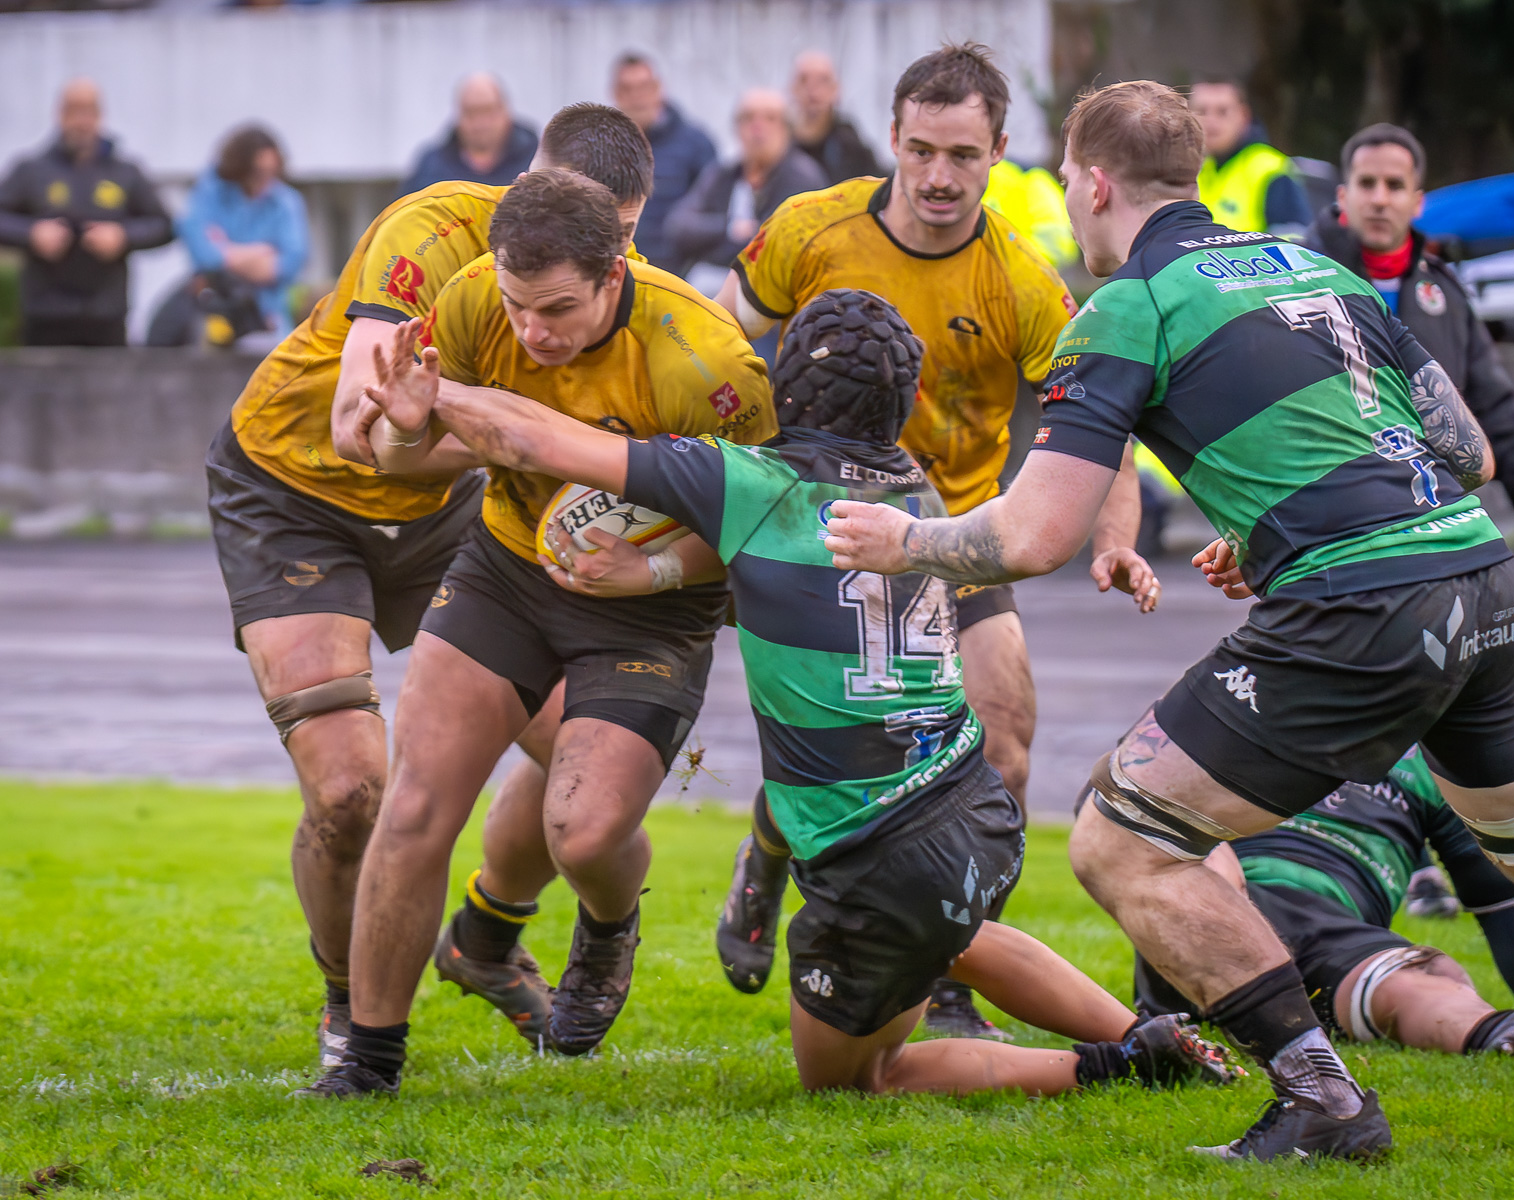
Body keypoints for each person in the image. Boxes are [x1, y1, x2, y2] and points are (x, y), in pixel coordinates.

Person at [822, 80, 1514, 1158]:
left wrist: (902, 538)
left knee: (1121, 836)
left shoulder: (1128, 306)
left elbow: (1036, 534)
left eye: (1064, 181)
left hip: (1362, 606)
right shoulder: (1316, 269)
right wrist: (1281, 523)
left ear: (1094, 184)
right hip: (1478, 579)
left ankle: (1323, 1102)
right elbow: (1468, 453)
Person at [377, 284, 1239, 1097]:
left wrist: (434, 394)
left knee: (859, 1077)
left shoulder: (752, 483)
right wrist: (655, 572)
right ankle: (1151, 1033)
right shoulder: (916, 490)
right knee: (952, 936)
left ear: (781, 392)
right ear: (904, 405)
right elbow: (772, 550)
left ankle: (1115, 1066)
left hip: (872, 849)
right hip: (973, 805)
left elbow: (536, 440)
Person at [295, 169, 775, 1098]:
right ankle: (369, 1060)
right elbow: (402, 459)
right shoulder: (476, 299)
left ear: (613, 273)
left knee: (582, 834)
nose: (532, 332)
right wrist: (404, 430)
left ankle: (608, 927)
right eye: (519, 306)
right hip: (509, 569)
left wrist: (652, 570)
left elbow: (768, 525)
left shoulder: (704, 361)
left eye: (556, 309)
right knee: (415, 806)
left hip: (654, 604)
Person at [711, 42, 1155, 1039]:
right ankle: (771, 853)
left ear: (999, 150)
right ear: (895, 141)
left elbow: (1103, 420)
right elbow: (719, 347)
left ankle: (949, 976)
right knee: (839, 749)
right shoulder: (809, 228)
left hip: (950, 539)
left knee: (1005, 741)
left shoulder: (1022, 280)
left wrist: (1116, 535)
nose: (940, 176)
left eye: (963, 154)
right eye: (921, 150)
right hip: (817, 531)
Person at [205, 103, 657, 1076]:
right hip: (293, 491)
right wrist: (524, 440)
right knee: (352, 791)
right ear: (526, 187)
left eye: (622, 237)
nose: (603, 254)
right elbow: (355, 428)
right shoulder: (429, 231)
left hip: (449, 501)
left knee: (592, 764)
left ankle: (488, 932)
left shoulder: (612, 277)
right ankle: (349, 1004)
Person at [1132, 749, 1514, 1059]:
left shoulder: (1435, 765)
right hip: (1222, 906)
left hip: (1330, 937)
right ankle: (1176, 1012)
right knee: (1191, 856)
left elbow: (1502, 908)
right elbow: (1129, 799)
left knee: (1427, 976)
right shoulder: (1232, 712)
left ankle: (1512, 1033)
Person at [1303, 123, 1514, 575]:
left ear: (1418, 201)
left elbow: (1490, 407)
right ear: (1342, 195)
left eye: (1394, 185)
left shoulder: (1445, 292)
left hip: (1428, 525)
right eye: (1366, 183)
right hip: (1328, 535)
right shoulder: (1296, 281)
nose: (1379, 199)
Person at [0, 78, 172, 346]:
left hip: (106, 315)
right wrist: (31, 233)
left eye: (89, 111)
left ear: (100, 116)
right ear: (60, 114)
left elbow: (163, 226)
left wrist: (123, 236)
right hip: (45, 315)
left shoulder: (124, 172)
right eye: (74, 111)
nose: (81, 121)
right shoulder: (31, 170)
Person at [155, 125, 309, 344]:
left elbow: (292, 262)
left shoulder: (286, 201)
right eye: (258, 172)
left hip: (267, 313)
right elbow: (204, 254)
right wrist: (259, 253)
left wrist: (226, 251)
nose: (264, 180)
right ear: (240, 168)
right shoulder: (210, 192)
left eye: (270, 172)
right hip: (212, 307)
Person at [666, 88, 827, 293]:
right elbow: (678, 226)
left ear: (787, 129)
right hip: (711, 283)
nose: (758, 127)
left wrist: (715, 243)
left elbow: (771, 244)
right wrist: (729, 228)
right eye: (748, 118)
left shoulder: (802, 178)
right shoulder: (723, 175)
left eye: (770, 118)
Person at [613, 53, 717, 271]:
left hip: (677, 272)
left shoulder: (695, 144)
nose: (637, 97)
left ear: (659, 89)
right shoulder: (602, 145)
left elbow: (711, 209)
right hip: (619, 269)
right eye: (627, 89)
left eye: (644, 87)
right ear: (615, 94)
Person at [1189, 79, 1308, 237]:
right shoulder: (1188, 166)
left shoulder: (1269, 168)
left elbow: (1293, 239)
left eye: (1222, 111)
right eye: (1202, 111)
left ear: (1244, 115)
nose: (1211, 121)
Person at [398, 74, 538, 196]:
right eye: (470, 112)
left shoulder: (536, 157)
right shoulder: (430, 164)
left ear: (505, 110)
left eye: (488, 110)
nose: (480, 122)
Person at [790, 51, 881, 184]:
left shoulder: (850, 145)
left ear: (836, 89)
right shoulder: (780, 144)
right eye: (804, 80)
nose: (812, 89)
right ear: (793, 89)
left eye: (822, 81)